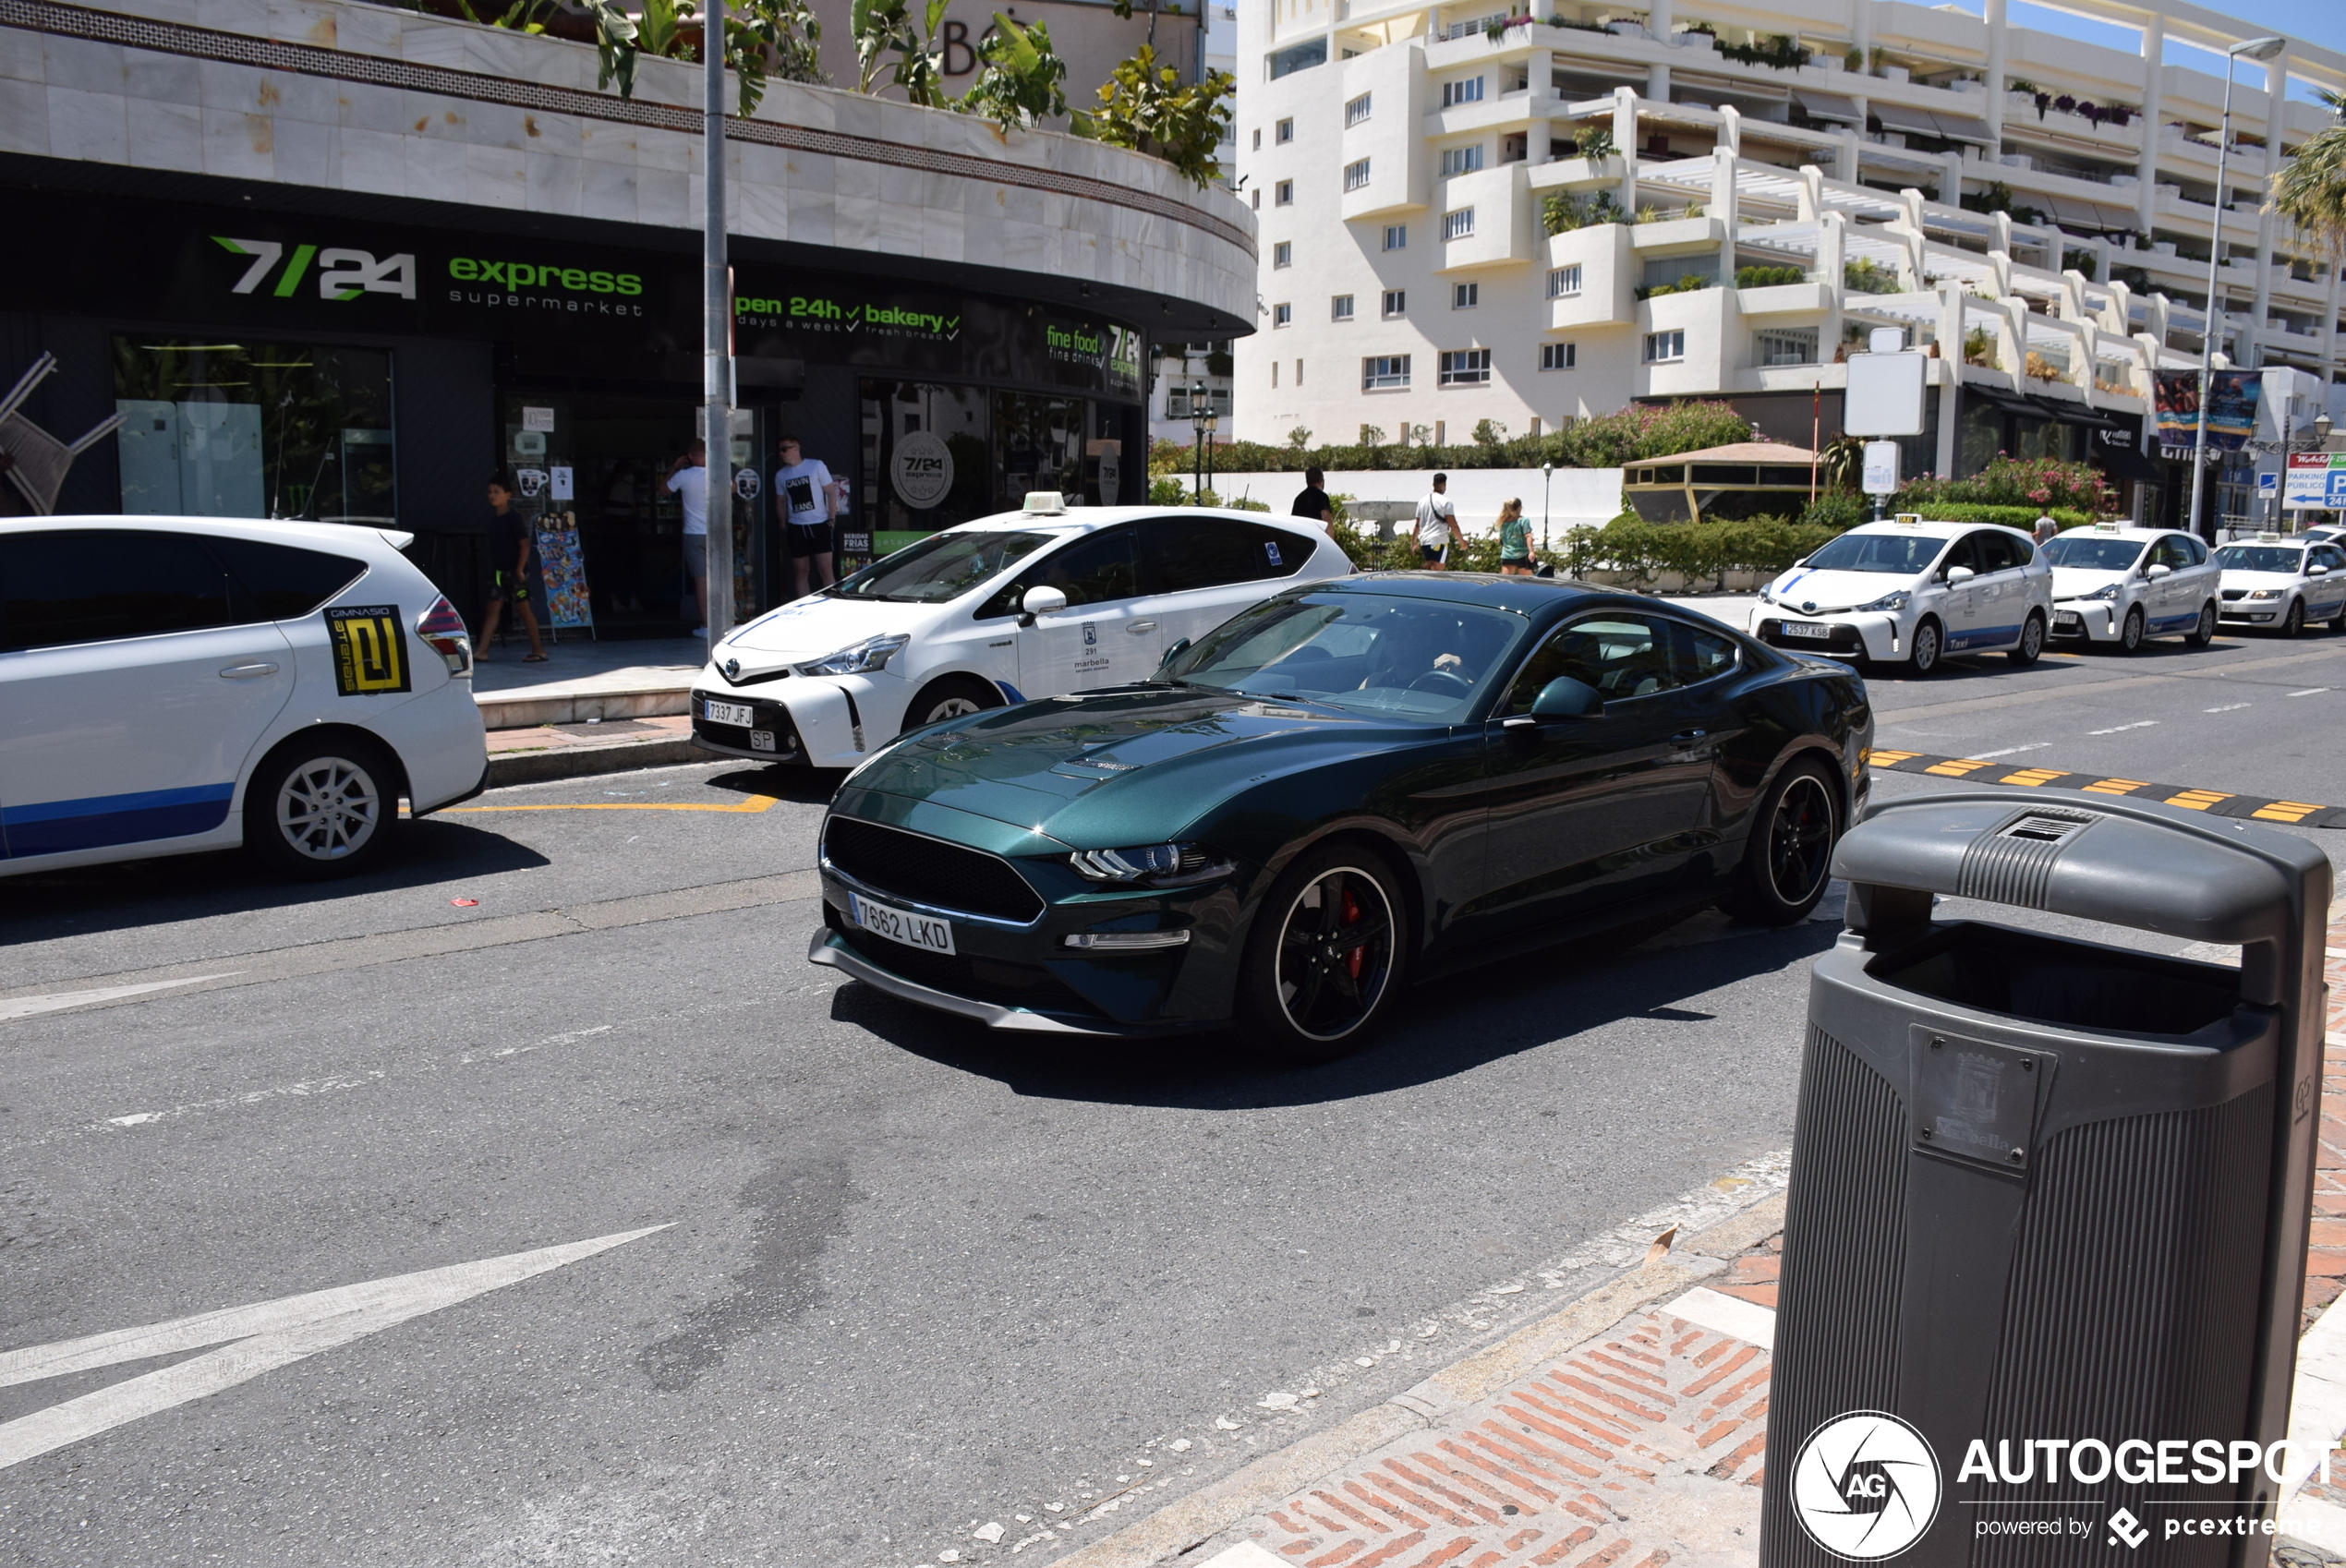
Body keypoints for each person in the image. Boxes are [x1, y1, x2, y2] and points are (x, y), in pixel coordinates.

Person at [478, 473, 548, 662]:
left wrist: (519, 569)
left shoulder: (513, 518)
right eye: (490, 492)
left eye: (497, 492)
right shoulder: (494, 520)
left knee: (524, 610)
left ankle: (538, 650)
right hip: (499, 572)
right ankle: (482, 650)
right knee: (493, 608)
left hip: (514, 572)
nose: (492, 495)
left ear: (508, 494)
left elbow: (524, 544)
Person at [774, 434, 843, 598]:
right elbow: (780, 502)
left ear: (796, 449)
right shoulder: (781, 475)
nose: (781, 453)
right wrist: (783, 525)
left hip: (819, 524)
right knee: (800, 572)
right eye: (780, 450)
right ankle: (804, 606)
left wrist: (831, 519)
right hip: (796, 527)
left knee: (825, 570)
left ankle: (831, 604)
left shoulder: (816, 466)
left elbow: (830, 492)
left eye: (785, 449)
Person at [665, 440, 708, 636]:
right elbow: (733, 488)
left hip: (693, 533)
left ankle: (707, 625)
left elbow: (663, 490)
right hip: (716, 534)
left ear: (690, 456)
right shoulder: (717, 474)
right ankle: (723, 623)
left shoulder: (683, 475)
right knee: (720, 580)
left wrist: (675, 467)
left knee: (701, 581)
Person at [1413, 473, 1458, 569]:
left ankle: (1422, 570)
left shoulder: (1422, 501)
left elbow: (1417, 525)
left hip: (1425, 541)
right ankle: (1420, 571)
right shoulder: (1446, 502)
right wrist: (1462, 541)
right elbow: (1453, 525)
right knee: (1437, 572)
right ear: (1444, 485)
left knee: (1430, 568)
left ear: (1433, 484)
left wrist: (1413, 543)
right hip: (1439, 540)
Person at [1496, 498, 1534, 574]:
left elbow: (1502, 538)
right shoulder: (1523, 520)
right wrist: (1531, 551)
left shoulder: (1503, 522)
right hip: (1522, 554)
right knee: (1527, 582)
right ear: (1519, 508)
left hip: (1507, 554)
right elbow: (1528, 536)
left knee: (1506, 583)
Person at [1291, 467, 1334, 531]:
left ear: (1307, 481)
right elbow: (1326, 521)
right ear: (1320, 481)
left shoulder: (1298, 499)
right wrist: (1331, 540)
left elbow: (1293, 522)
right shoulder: (1322, 497)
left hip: (1303, 536)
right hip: (1317, 536)